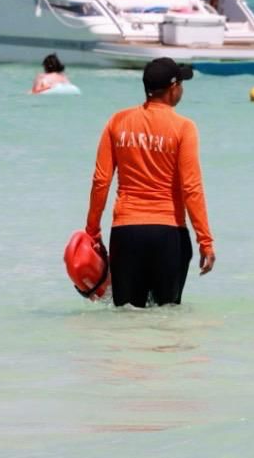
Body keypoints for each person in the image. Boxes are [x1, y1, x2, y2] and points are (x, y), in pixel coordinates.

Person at [85, 57, 215, 308]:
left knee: (126, 318)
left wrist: (92, 231)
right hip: (169, 234)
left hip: (126, 233)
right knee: (166, 320)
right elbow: (191, 188)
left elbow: (101, 180)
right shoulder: (184, 128)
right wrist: (205, 241)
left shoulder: (117, 122)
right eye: (182, 84)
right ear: (173, 88)